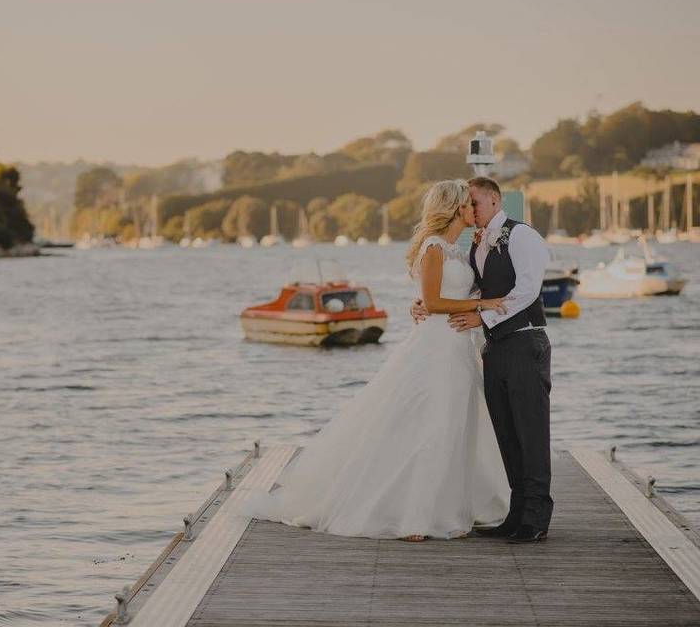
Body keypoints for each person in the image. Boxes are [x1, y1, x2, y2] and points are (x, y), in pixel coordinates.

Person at [233, 179, 509, 541]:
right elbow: (436, 303)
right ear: (457, 207)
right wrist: (481, 305)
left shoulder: (459, 250)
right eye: (470, 204)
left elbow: (441, 296)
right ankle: (414, 517)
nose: (476, 209)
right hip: (436, 348)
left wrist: (473, 301)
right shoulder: (434, 247)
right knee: (430, 427)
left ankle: (444, 510)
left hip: (459, 348)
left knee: (454, 427)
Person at [412, 176, 553, 544]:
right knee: (506, 431)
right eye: (466, 203)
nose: (469, 209)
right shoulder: (474, 245)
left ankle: (536, 517)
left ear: (493, 199)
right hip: (492, 348)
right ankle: (517, 512)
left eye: (474, 202)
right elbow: (473, 290)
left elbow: (526, 290)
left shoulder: (522, 236)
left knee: (531, 431)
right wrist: (426, 302)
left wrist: (483, 316)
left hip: (524, 343)